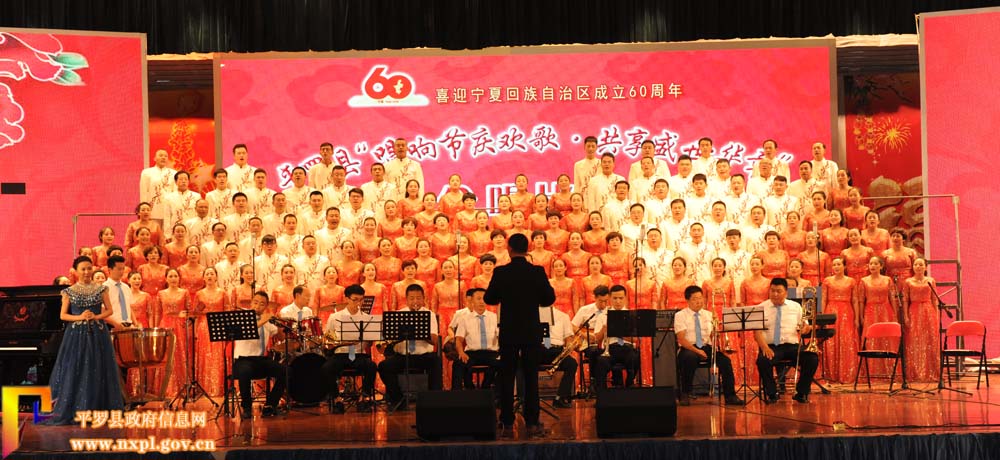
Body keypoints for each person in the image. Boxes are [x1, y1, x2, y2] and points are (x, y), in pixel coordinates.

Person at [484, 233, 556, 437]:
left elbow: (489, 298)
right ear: (527, 249)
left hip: (509, 331)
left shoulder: (501, 272)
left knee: (507, 376)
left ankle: (507, 422)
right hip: (531, 331)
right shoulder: (537, 271)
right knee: (531, 376)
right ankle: (532, 422)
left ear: (509, 249)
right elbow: (549, 299)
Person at [43, 256, 124, 425]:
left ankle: (98, 410)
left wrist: (96, 316)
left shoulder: (101, 289)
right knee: (76, 368)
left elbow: (109, 311)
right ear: (76, 271)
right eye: (83, 269)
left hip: (97, 334)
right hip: (75, 335)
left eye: (89, 268)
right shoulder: (69, 291)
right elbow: (63, 315)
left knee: (98, 368)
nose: (87, 272)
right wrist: (80, 317)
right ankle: (76, 409)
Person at [675, 285, 744, 406]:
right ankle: (685, 393)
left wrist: (717, 332)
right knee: (689, 358)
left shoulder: (708, 314)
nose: (699, 301)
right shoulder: (680, 315)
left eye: (700, 298)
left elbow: (713, 336)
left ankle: (730, 396)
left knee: (725, 361)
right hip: (689, 347)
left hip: (706, 347)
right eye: (695, 299)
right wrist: (697, 351)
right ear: (687, 300)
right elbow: (681, 339)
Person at [378, 284, 443, 409]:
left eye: (418, 298)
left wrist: (419, 330)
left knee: (436, 361)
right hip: (403, 356)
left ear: (423, 299)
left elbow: (434, 341)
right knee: (384, 366)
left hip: (423, 356)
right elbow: (389, 338)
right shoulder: (399, 314)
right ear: (406, 299)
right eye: (412, 298)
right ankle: (398, 400)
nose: (415, 301)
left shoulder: (429, 314)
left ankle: (433, 400)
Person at [755, 278, 818, 404]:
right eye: (772, 291)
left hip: (792, 346)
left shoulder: (796, 306)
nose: (775, 294)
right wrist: (764, 347)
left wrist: (806, 328)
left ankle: (801, 392)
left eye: (778, 291)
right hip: (772, 346)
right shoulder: (761, 307)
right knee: (762, 361)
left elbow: (804, 326)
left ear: (786, 293)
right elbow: (757, 332)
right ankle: (772, 393)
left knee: (812, 358)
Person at [322, 284, 378, 413]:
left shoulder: (366, 318)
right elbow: (328, 340)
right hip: (341, 354)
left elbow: (369, 344)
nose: (358, 303)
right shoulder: (334, 317)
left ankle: (364, 398)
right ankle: (336, 399)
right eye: (355, 300)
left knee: (371, 366)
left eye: (361, 300)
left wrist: (371, 337)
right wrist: (338, 342)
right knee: (326, 368)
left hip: (358, 354)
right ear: (347, 299)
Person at [232, 291, 286, 418]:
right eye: (255, 303)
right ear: (251, 303)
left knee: (286, 371)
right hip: (243, 360)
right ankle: (247, 407)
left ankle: (270, 405)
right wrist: (263, 320)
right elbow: (249, 329)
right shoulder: (243, 317)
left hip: (260, 360)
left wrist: (279, 324)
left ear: (266, 306)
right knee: (245, 372)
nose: (258, 306)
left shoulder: (267, 321)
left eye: (262, 304)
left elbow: (280, 337)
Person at [452, 288, 500, 390]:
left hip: (491, 353)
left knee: (503, 363)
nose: (481, 302)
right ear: (472, 301)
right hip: (472, 353)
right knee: (458, 364)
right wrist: (461, 352)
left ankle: (488, 390)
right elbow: (459, 339)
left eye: (484, 299)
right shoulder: (464, 319)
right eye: (478, 299)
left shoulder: (494, 317)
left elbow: (501, 336)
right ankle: (466, 391)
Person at [821, 257, 858, 383]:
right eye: (834, 265)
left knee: (846, 340)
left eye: (838, 264)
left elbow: (855, 300)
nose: (836, 267)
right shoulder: (827, 281)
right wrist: (822, 317)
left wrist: (857, 317)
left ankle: (846, 373)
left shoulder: (851, 281)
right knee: (831, 341)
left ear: (844, 266)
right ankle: (831, 374)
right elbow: (823, 299)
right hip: (831, 310)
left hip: (846, 312)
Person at [902, 258, 940, 383]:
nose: (918, 267)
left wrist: (936, 315)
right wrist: (906, 316)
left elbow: (934, 299)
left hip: (928, 311)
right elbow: (905, 300)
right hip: (914, 311)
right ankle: (915, 372)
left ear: (925, 267)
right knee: (914, 341)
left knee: (930, 340)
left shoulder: (931, 281)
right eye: (916, 264)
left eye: (920, 264)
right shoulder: (908, 281)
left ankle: (931, 371)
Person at [537, 304, 577, 408]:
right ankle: (526, 398)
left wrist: (569, 347)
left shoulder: (563, 316)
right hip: (539, 348)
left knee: (572, 363)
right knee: (522, 362)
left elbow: (568, 337)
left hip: (556, 350)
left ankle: (560, 397)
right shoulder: (533, 314)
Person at [103, 255, 137, 330]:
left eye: (123, 269)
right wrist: (115, 324)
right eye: (119, 269)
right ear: (110, 269)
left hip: (128, 326)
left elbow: (129, 307)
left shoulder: (126, 287)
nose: (122, 272)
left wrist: (135, 323)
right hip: (112, 326)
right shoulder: (104, 288)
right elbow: (101, 311)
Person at [573, 136, 601, 200]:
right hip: (584, 196)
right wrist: (577, 199)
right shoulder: (578, 165)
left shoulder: (601, 163)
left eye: (593, 146)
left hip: (598, 196)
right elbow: (577, 185)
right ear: (584, 147)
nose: (590, 149)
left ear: (596, 147)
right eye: (588, 146)